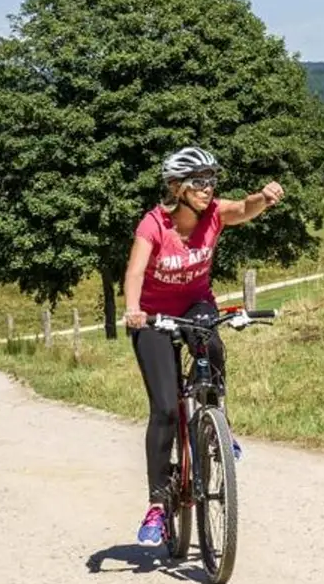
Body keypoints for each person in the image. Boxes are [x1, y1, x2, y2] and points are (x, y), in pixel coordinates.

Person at [122, 145, 285, 547]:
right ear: (176, 187)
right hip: (154, 315)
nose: (208, 189)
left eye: (212, 181)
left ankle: (216, 420)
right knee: (163, 408)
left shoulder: (214, 215)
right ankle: (158, 506)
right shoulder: (154, 224)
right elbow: (136, 270)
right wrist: (132, 310)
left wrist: (263, 199)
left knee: (210, 340)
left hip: (195, 305)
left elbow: (243, 209)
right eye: (199, 182)